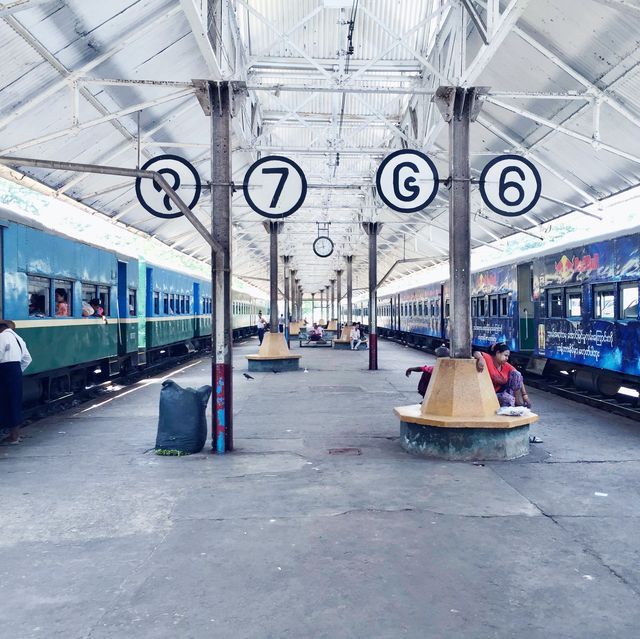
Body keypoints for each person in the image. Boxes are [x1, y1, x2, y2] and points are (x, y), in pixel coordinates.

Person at [0, 320, 32, 444]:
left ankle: (11, 436)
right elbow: (28, 359)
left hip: (3, 370)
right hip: (15, 370)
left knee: (4, 402)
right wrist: (18, 371)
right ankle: (15, 436)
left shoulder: (1, 337)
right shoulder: (18, 338)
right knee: (14, 402)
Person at [473, 342, 532, 408]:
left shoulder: (505, 365)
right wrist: (481, 358)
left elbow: (518, 377)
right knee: (508, 399)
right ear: (497, 353)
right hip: (487, 394)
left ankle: (517, 401)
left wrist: (525, 396)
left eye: (508, 356)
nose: (507, 358)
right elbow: (476, 353)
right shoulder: (488, 359)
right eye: (505, 355)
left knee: (516, 374)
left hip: (500, 392)